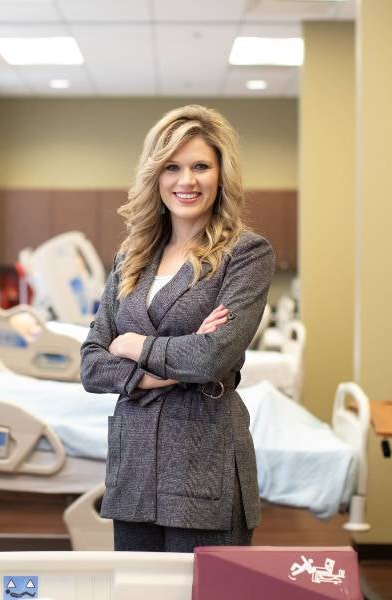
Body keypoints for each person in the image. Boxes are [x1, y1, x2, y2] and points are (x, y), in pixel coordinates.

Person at [80, 105, 275, 552]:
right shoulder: (131, 258)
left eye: (200, 166)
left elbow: (213, 357)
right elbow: (92, 364)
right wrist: (172, 365)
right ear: (156, 176)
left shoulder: (245, 253)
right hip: (134, 467)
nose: (186, 181)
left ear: (221, 174)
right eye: (172, 167)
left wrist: (133, 345)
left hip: (203, 462)